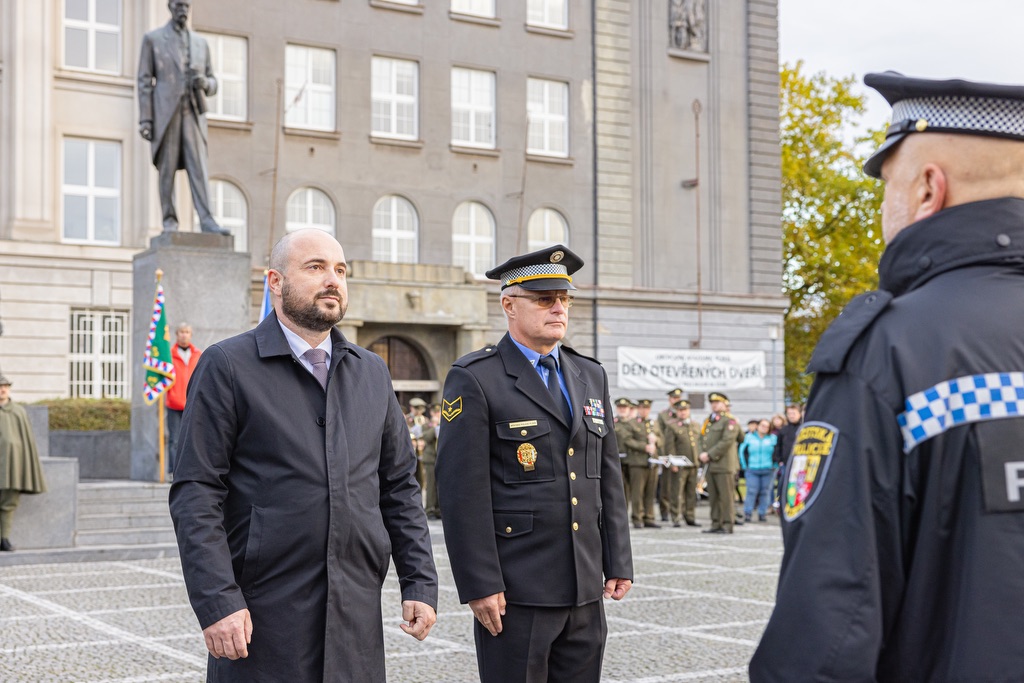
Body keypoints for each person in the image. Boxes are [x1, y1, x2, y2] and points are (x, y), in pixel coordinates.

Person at [750, 72, 1024, 681]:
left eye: (886, 189)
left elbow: (830, 624)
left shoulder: (888, 351)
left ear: (929, 188)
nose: (882, 210)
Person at [168, 228, 437, 682]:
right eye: (315, 267)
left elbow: (398, 487)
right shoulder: (227, 366)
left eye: (340, 270)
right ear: (275, 281)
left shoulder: (370, 371)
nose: (332, 279)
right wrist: (218, 602)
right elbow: (196, 491)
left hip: (355, 617)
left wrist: (420, 581)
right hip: (261, 617)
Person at [435, 244, 633, 683]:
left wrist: (619, 558)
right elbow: (461, 492)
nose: (559, 308)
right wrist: (479, 583)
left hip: (584, 586)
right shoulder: (476, 377)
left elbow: (608, 474)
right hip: (517, 591)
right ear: (509, 304)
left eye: (564, 299)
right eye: (545, 299)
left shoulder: (589, 373)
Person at [137, 0, 227, 235]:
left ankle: (207, 220)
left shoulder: (200, 43)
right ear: (170, 6)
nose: (183, 10)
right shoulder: (153, 39)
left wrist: (205, 83)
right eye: (178, 5)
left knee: (199, 169)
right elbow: (145, 81)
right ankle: (169, 221)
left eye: (186, 5)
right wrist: (146, 119)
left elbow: (213, 81)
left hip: (193, 114)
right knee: (166, 171)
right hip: (166, 115)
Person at [0, 372, 47, 551]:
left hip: (13, 465)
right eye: (0, 387)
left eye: (5, 387)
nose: (3, 390)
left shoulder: (18, 412)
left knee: (8, 503)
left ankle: (4, 538)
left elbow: (27, 441)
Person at [698, 392, 740, 534]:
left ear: (725, 404)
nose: (714, 405)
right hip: (710, 464)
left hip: (724, 464)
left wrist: (709, 454)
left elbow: (727, 441)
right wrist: (701, 453)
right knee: (714, 497)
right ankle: (716, 523)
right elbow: (701, 439)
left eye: (717, 402)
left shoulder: (729, 420)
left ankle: (728, 524)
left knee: (726, 496)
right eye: (712, 403)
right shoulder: (709, 421)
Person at [659, 393, 702, 527]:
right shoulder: (672, 426)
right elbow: (669, 446)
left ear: (689, 411)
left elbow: (699, 443)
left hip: (693, 463)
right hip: (679, 464)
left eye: (685, 410)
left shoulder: (695, 425)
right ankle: (675, 516)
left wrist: (699, 460)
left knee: (690, 493)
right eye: (680, 410)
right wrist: (672, 463)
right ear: (677, 412)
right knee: (677, 492)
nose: (683, 413)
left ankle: (690, 516)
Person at [165, 322, 201, 479]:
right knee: (174, 439)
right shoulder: (168, 355)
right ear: (177, 334)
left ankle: (190, 471)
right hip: (174, 403)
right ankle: (173, 471)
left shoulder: (198, 355)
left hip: (192, 403)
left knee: (192, 439)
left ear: (191, 335)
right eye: (181, 332)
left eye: (187, 332)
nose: (184, 335)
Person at [738, 419, 776, 522]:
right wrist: (744, 465)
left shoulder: (772, 438)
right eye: (762, 425)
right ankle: (748, 513)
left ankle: (762, 513)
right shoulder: (749, 437)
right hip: (752, 468)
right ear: (757, 426)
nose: (764, 428)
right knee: (751, 491)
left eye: (766, 426)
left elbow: (777, 452)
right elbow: (742, 451)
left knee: (765, 492)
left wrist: (775, 464)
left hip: (768, 468)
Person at [418, 403, 441, 520]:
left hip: (440, 458)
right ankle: (429, 509)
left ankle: (438, 508)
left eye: (439, 412)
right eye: (435, 412)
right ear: (432, 413)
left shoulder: (444, 423)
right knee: (430, 485)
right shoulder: (427, 425)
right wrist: (435, 426)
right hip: (430, 458)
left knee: (439, 485)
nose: (438, 414)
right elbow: (426, 438)